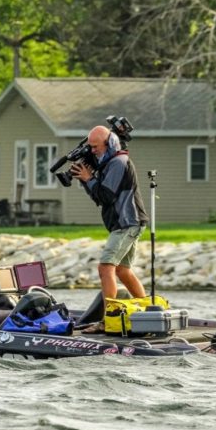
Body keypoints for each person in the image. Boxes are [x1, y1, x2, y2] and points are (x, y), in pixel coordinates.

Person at [71, 125, 149, 325]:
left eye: (96, 147)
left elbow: (106, 195)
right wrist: (85, 179)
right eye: (90, 147)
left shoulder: (118, 162)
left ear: (110, 143)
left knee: (106, 267)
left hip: (127, 222)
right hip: (127, 223)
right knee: (123, 270)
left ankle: (109, 319)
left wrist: (89, 179)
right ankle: (147, 310)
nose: (92, 151)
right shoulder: (108, 163)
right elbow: (99, 197)